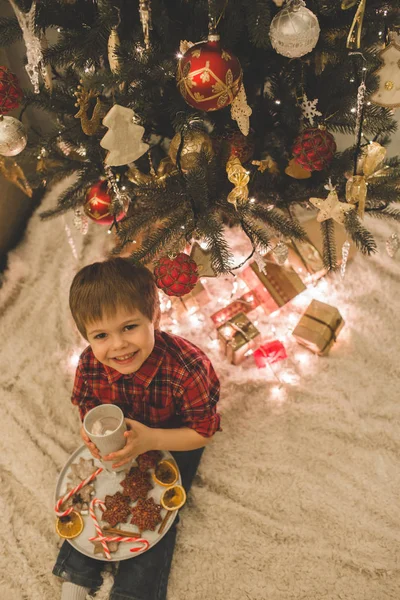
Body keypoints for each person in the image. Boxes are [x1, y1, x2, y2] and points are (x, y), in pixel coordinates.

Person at [53, 257, 221, 600]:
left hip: (175, 436)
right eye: (101, 335)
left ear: (154, 316)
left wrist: (153, 440)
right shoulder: (89, 363)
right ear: (86, 336)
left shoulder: (188, 368)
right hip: (123, 431)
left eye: (129, 327)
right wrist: (89, 432)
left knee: (156, 512)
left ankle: (134, 592)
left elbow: (202, 432)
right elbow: (87, 406)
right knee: (94, 495)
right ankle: (76, 578)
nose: (118, 346)